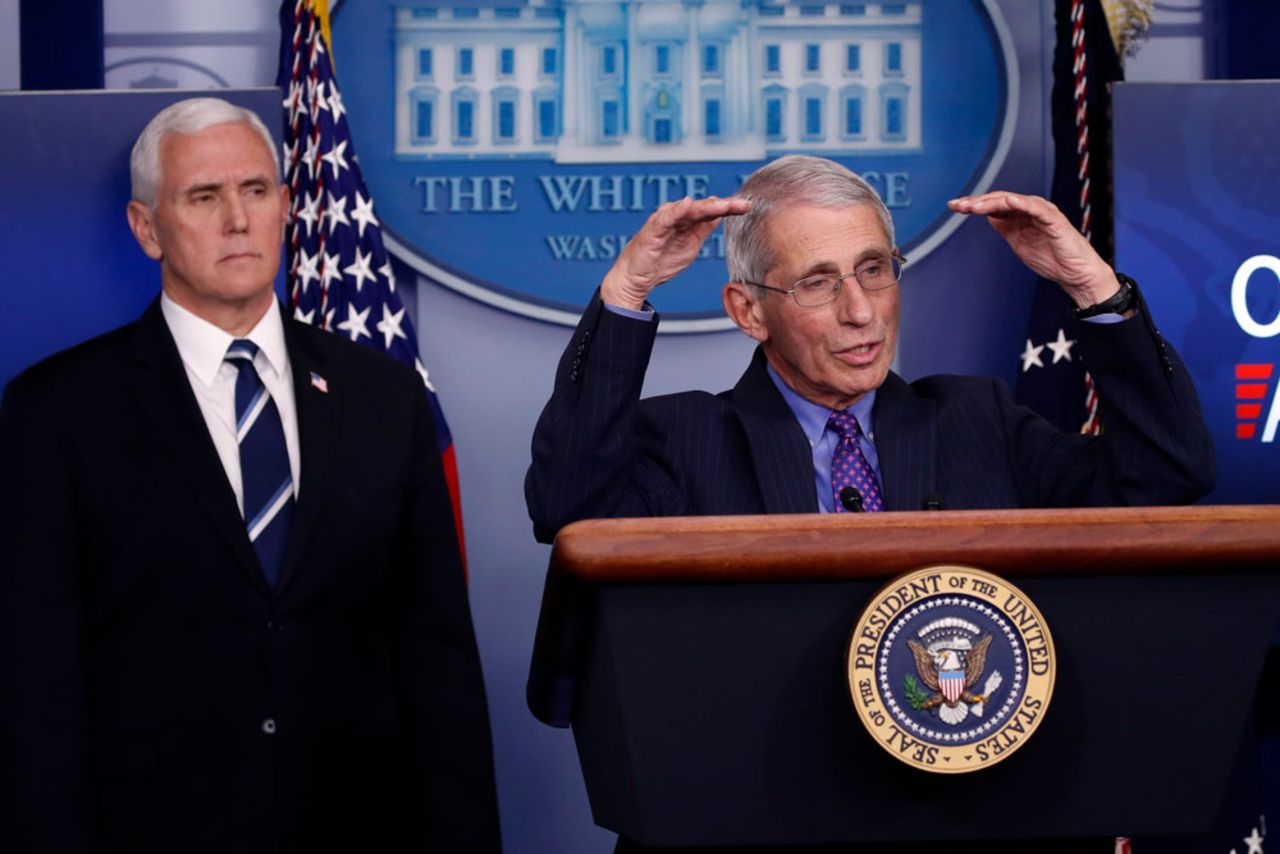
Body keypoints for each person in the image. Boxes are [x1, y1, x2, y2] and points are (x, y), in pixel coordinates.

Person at [0, 97, 501, 853]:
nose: (237, 218)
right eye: (204, 196)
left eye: (256, 190)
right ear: (146, 229)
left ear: (285, 207)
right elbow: (39, 681)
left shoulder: (384, 399)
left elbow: (437, 667)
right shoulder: (58, 411)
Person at [526, 155, 1213, 541]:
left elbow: (1166, 473)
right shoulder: (682, 441)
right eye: (819, 283)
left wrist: (1091, 285)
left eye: (875, 269)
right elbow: (567, 511)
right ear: (749, 311)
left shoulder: (979, 421)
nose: (862, 312)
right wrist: (626, 291)